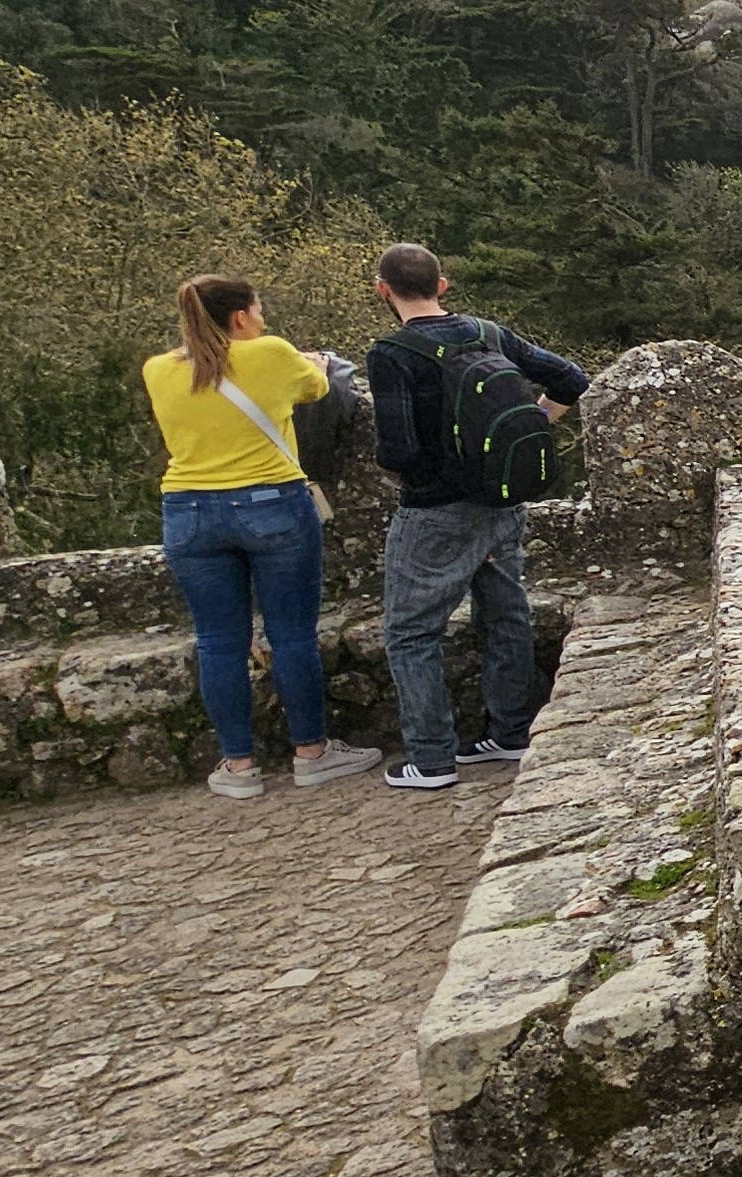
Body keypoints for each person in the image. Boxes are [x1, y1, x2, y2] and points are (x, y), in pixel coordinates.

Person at [145, 277, 385, 799]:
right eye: (259, 311)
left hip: (187, 509)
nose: (263, 320)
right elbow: (318, 388)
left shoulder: (157, 370)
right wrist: (315, 362)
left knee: (217, 640)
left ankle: (238, 766)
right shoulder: (271, 354)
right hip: (270, 503)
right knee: (291, 633)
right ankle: (312, 754)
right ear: (239, 319)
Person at [366, 243, 587, 790]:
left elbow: (398, 452)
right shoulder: (488, 333)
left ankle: (431, 758)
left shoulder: (393, 353)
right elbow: (571, 379)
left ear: (383, 290)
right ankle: (510, 733)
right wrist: (533, 425)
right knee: (505, 612)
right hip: (503, 499)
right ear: (442, 285)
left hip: (434, 512)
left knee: (411, 633)